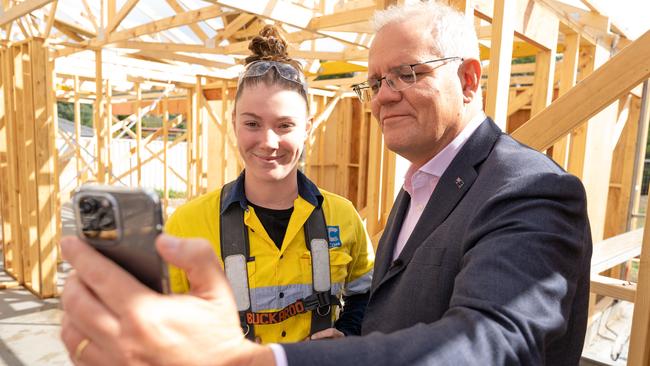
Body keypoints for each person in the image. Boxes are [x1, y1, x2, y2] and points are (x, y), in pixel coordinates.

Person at [60, 2, 592, 365]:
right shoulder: (420, 187)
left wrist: (262, 359)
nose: (384, 95)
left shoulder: (528, 189)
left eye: (408, 73)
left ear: (470, 79)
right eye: (377, 81)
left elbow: (495, 344)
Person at [165, 25, 375, 344]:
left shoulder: (343, 217)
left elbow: (366, 294)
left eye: (284, 125)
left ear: (307, 127)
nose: (268, 141)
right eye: (252, 123)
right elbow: (168, 322)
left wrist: (346, 333)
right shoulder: (187, 225)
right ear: (234, 122)